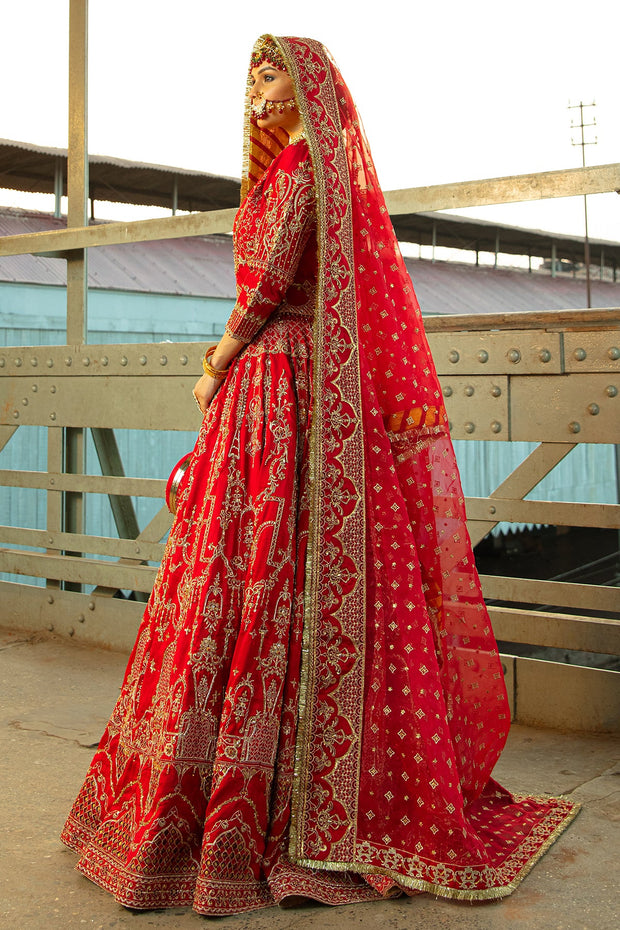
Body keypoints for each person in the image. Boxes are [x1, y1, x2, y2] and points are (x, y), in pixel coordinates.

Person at [61, 35, 578, 915]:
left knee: (270, 566)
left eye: (270, 74)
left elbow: (267, 282)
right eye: (253, 75)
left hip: (280, 380)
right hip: (272, 389)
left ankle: (273, 811)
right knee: (250, 569)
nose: (255, 88)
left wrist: (217, 363)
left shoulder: (304, 169)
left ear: (304, 88)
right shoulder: (288, 172)